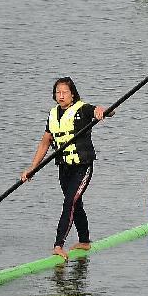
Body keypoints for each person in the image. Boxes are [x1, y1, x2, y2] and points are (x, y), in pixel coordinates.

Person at [21, 77, 110, 259]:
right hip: (64, 168)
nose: (61, 96)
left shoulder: (82, 110)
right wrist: (32, 168)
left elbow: (107, 111)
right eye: (58, 92)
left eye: (64, 92)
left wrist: (103, 111)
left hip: (82, 166)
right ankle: (84, 241)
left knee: (69, 202)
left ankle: (58, 245)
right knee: (75, 204)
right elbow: (45, 142)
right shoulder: (53, 114)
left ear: (72, 94)